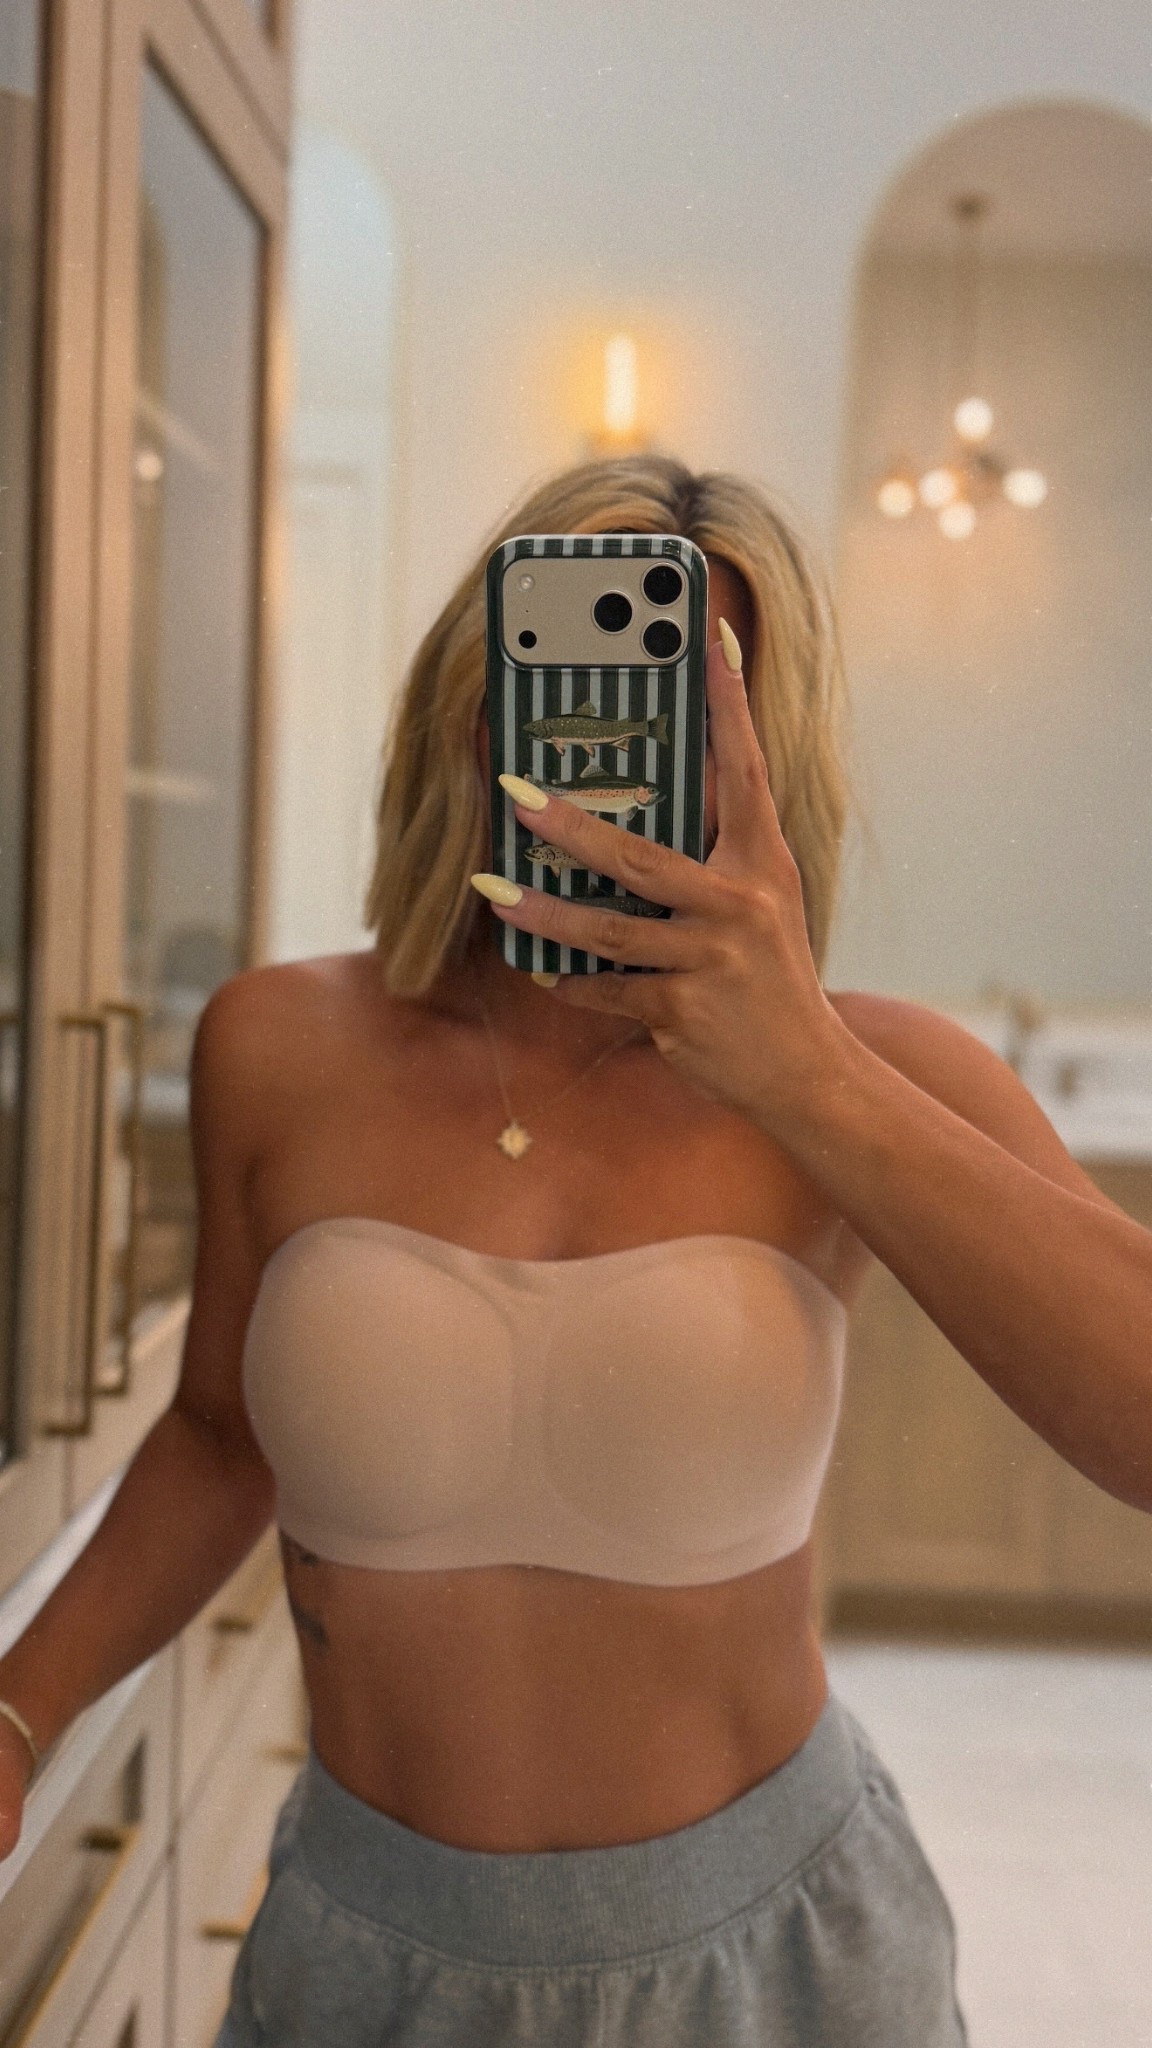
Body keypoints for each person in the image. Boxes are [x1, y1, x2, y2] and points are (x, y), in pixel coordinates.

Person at [3, 456, 1150, 2046]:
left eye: (687, 709)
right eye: (579, 683)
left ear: (763, 752)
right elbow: (216, 1437)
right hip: (368, 1958)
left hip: (778, 1966)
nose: (620, 753)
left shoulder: (867, 1075)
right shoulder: (278, 1045)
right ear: (478, 712)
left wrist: (801, 1072)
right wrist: (21, 1711)